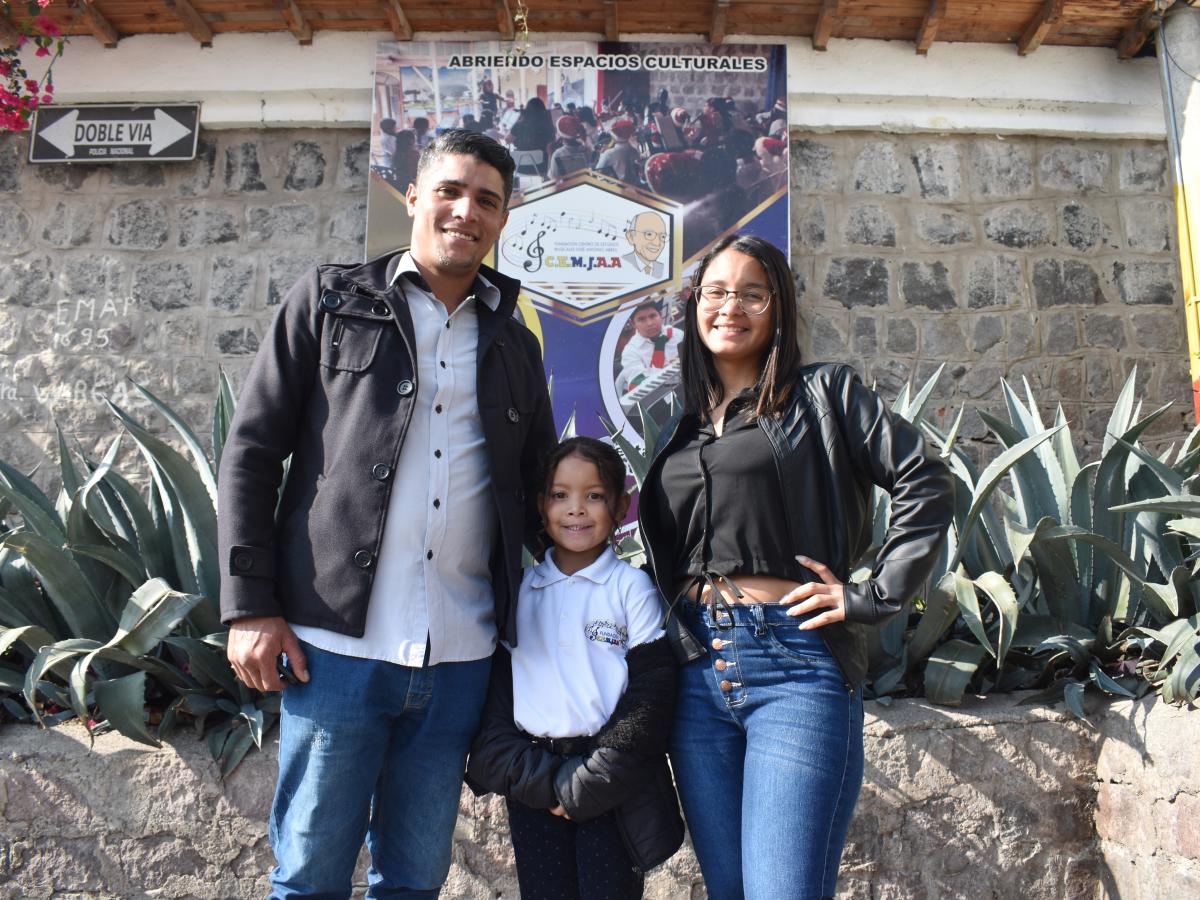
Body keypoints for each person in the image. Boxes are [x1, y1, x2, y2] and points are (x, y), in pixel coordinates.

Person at [218, 129, 557, 898]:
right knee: (308, 877)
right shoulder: (330, 299)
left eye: (487, 201)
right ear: (412, 196)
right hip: (333, 649)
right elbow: (251, 452)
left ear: (503, 221)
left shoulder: (514, 340)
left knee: (414, 880)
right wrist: (250, 607)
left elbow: (536, 483)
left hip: (460, 657)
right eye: (449, 190)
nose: (465, 211)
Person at [638, 234, 954, 900]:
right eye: (718, 292)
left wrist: (874, 597)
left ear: (778, 308)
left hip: (795, 664)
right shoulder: (681, 425)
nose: (733, 307)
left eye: (753, 293)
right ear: (695, 305)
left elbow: (926, 480)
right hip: (698, 675)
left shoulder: (824, 395)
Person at [467, 437, 684, 900]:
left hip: (609, 780)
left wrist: (588, 783)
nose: (576, 510)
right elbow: (499, 695)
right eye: (561, 495)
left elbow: (652, 692)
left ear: (621, 505)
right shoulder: (521, 589)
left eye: (595, 496)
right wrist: (543, 783)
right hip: (533, 783)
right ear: (541, 506)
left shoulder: (630, 588)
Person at [620, 299, 681, 394]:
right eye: (641, 319)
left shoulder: (676, 334)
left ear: (660, 315)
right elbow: (638, 388)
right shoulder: (630, 352)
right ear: (633, 324)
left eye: (653, 316)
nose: (649, 323)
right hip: (660, 401)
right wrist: (670, 369)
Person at [621, 211, 667, 278]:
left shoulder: (664, 269)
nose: (657, 243)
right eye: (649, 234)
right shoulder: (622, 263)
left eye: (663, 236)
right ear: (631, 237)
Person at [547, 114, 590, 179]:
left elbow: (553, 177)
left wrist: (550, 156)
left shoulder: (558, 154)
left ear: (560, 134)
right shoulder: (587, 149)